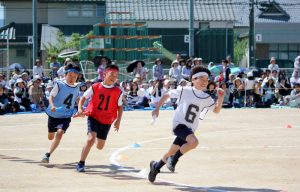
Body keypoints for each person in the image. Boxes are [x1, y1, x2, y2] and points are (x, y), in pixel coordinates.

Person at [148, 66, 224, 183]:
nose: (204, 82)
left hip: (190, 129)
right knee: (194, 142)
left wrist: (221, 97)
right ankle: (174, 159)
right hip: (179, 125)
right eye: (201, 79)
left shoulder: (206, 97)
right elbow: (167, 94)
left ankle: (156, 167)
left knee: (171, 151)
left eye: (206, 80)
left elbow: (216, 110)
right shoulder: (185, 90)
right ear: (193, 79)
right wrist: (157, 108)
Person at [74, 65, 123, 172]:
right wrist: (80, 109)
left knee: (100, 146)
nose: (113, 77)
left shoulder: (117, 91)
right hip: (94, 116)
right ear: (104, 74)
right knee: (90, 139)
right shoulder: (95, 87)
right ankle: (81, 163)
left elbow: (120, 107)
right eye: (111, 74)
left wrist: (118, 121)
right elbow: (83, 98)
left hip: (107, 120)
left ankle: (95, 136)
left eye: (116, 76)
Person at [41, 63, 81, 163]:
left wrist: (80, 109)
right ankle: (51, 132)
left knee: (59, 133)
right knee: (50, 136)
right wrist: (52, 105)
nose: (72, 78)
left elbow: (78, 99)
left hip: (66, 116)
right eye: (70, 75)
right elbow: (51, 96)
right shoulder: (59, 84)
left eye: (75, 76)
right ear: (65, 75)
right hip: (54, 114)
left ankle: (47, 155)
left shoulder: (76, 87)